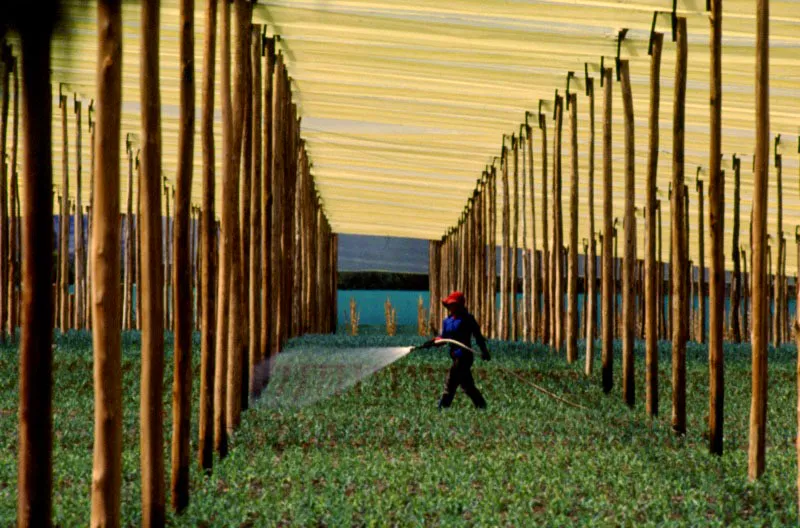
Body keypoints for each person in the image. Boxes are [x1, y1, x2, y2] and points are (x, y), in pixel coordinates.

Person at [421, 291, 490, 410]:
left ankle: (442, 408)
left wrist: (484, 351)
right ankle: (482, 406)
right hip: (455, 356)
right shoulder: (447, 321)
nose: (451, 307)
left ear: (459, 305)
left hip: (464, 356)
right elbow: (444, 338)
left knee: (451, 381)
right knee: (467, 385)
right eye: (450, 304)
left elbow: (478, 336)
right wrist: (432, 342)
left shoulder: (468, 319)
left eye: (453, 304)